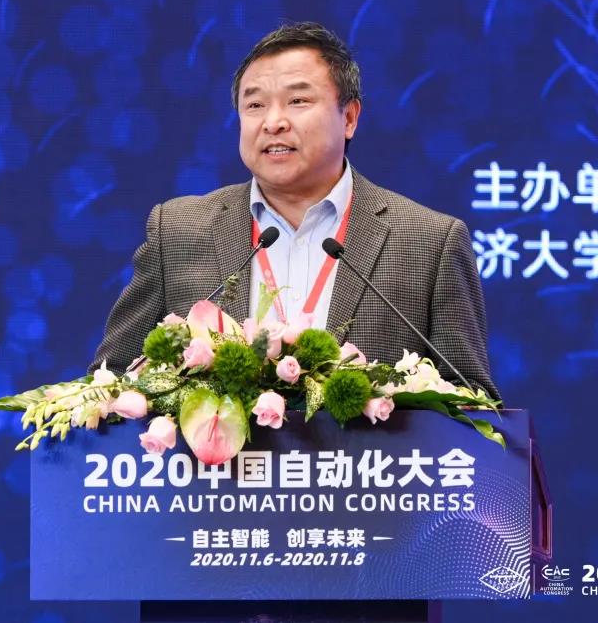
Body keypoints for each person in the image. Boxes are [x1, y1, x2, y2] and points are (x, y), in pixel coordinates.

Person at [90, 22, 499, 400]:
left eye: (298, 101)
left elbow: (473, 405)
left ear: (349, 117)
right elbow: (108, 384)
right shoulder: (178, 231)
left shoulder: (428, 242)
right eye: (254, 105)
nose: (273, 122)